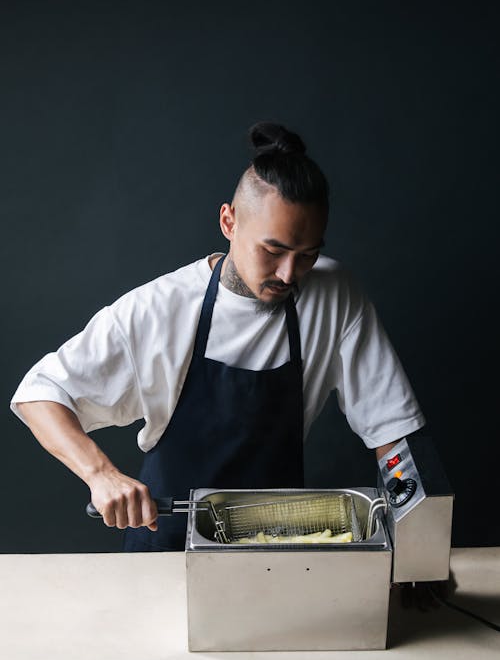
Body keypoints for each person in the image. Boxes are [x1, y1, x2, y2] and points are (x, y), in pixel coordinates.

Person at [11, 121, 425, 551]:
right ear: (229, 222)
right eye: (273, 250)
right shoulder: (159, 308)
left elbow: (393, 434)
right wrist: (101, 474)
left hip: (280, 547)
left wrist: (417, 549)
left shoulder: (335, 295)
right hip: (165, 546)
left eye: (307, 256)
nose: (288, 274)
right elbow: (38, 393)